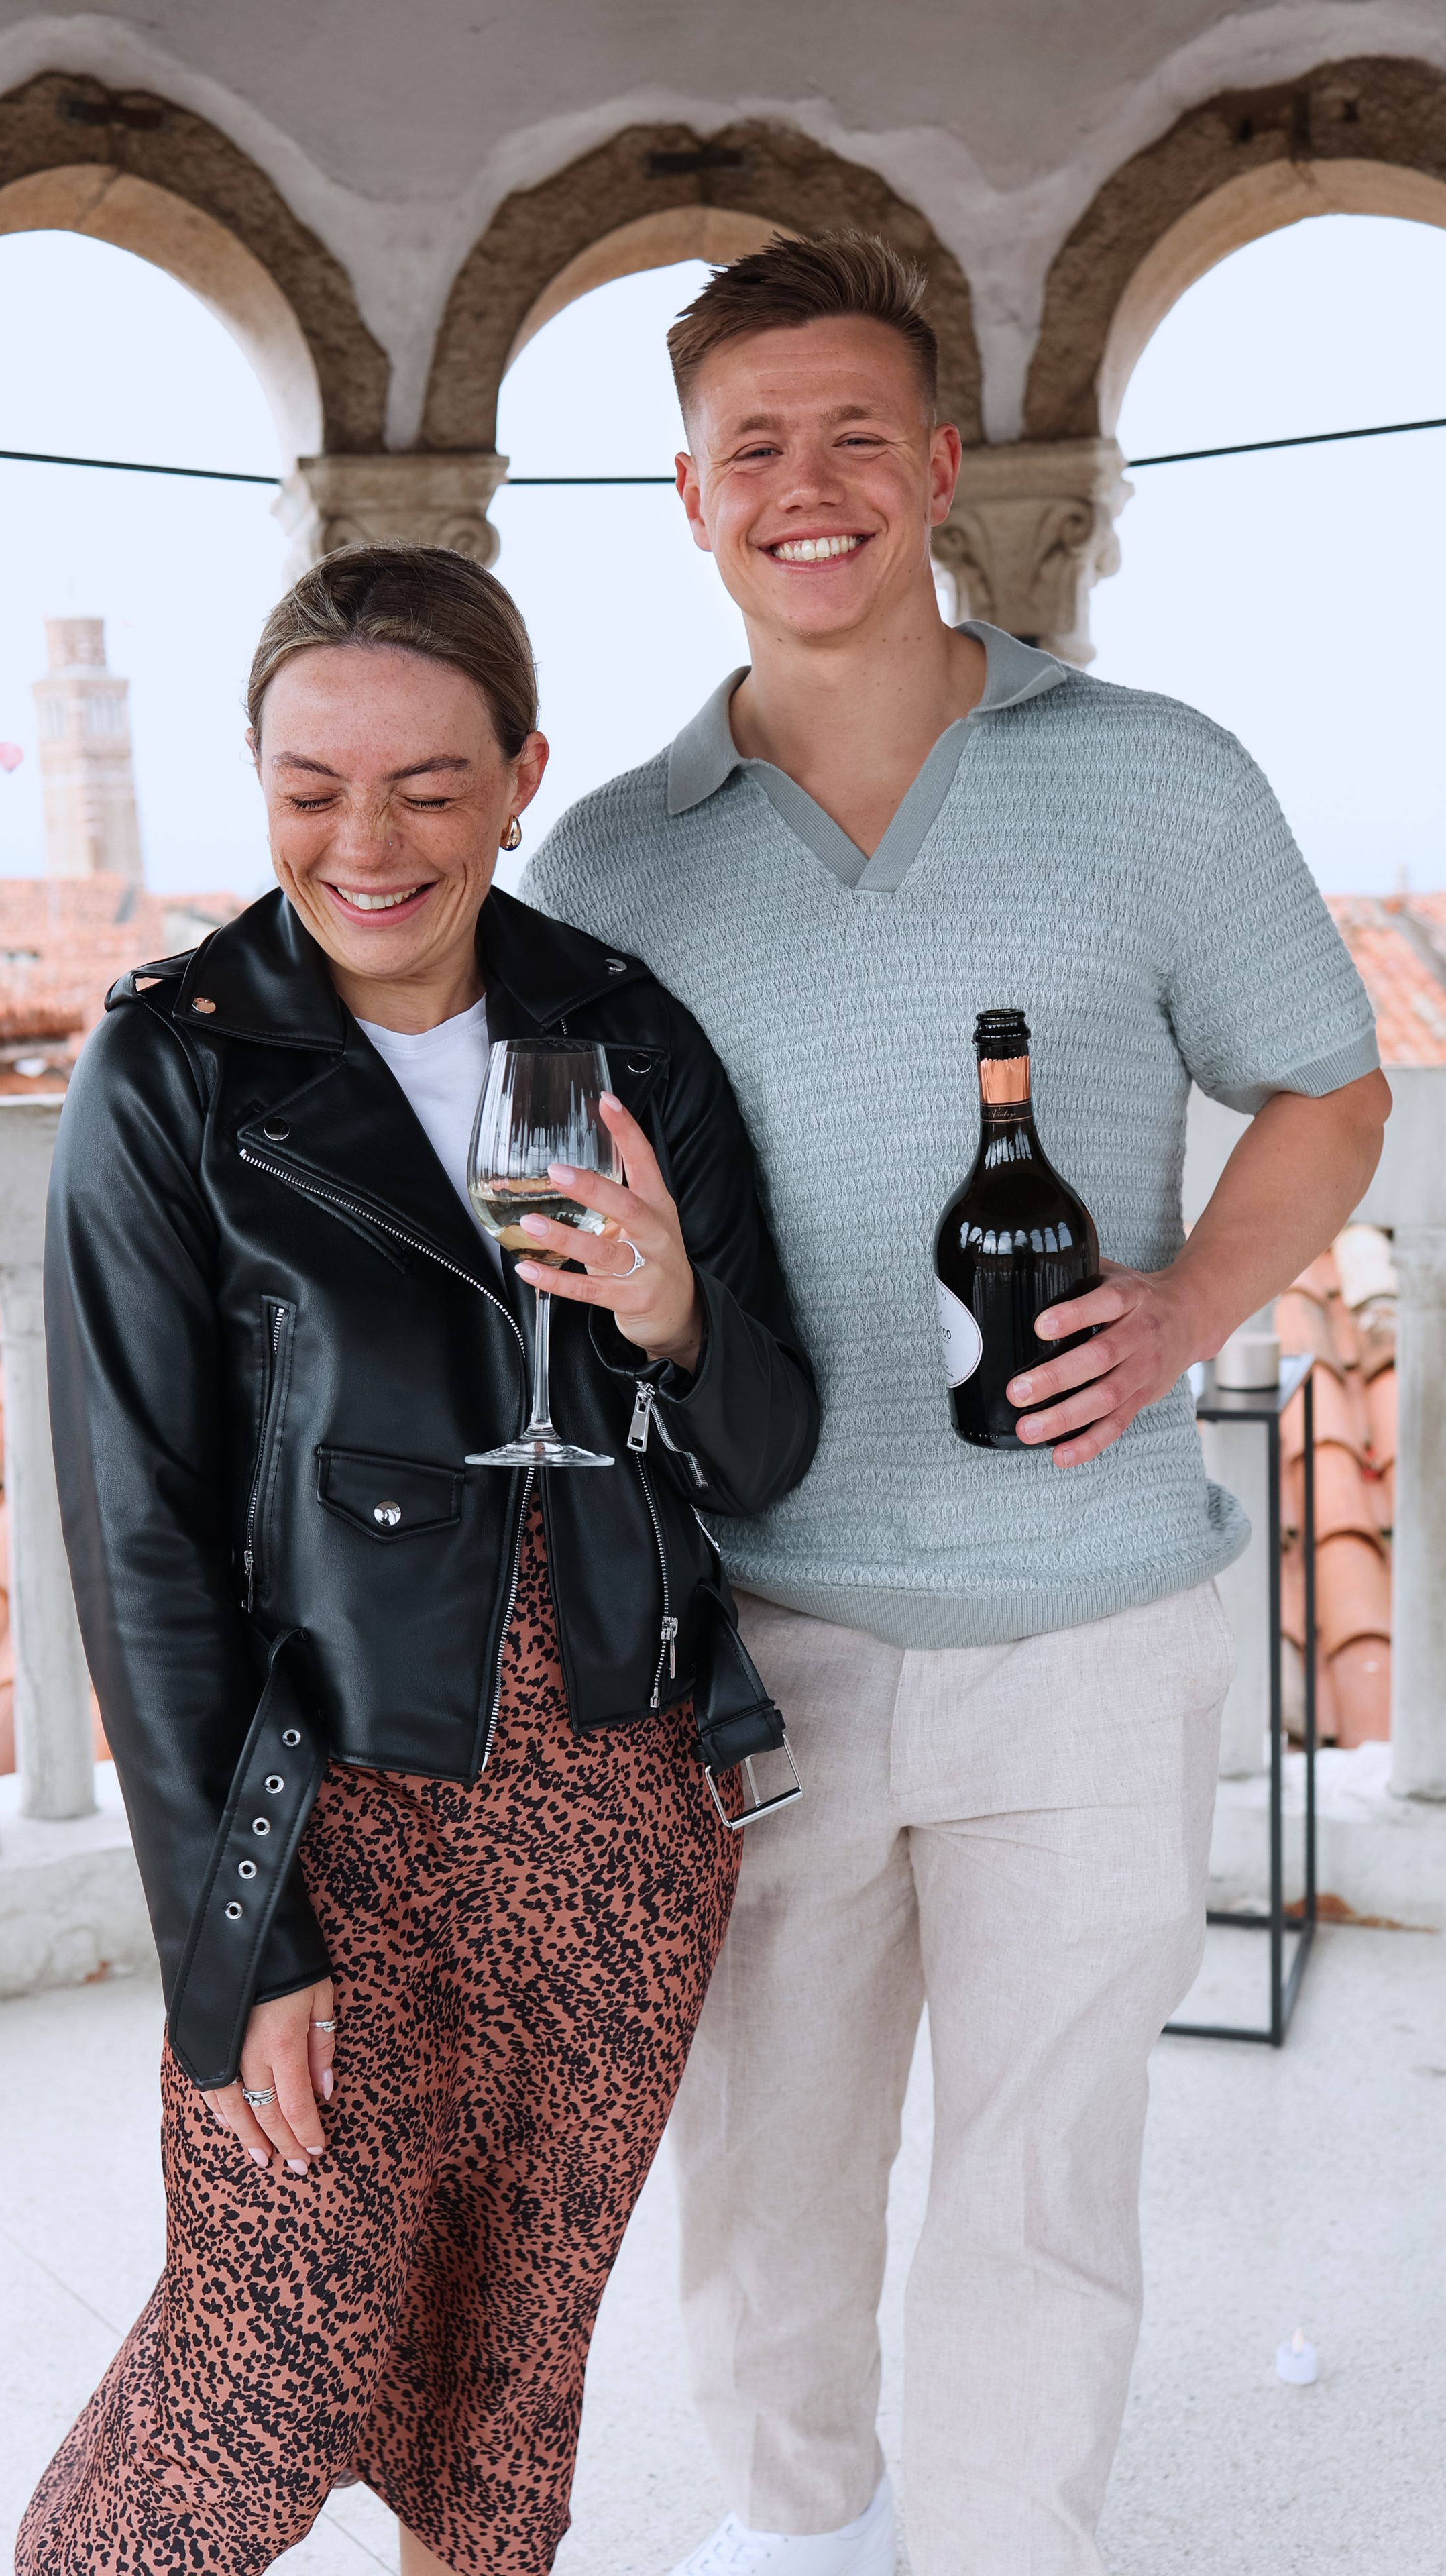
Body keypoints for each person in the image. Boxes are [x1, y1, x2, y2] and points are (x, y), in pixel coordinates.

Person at [522, 233, 1390, 2576]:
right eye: (750, 449)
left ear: (942, 464)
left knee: (1040, 2191)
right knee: (767, 2177)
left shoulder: (1159, 777)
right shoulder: (605, 860)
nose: (807, 489)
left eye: (850, 436)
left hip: (1099, 1633)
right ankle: (802, 2538)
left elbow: (1326, 1083)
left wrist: (1192, 1294)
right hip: (756, 1641)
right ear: (687, 496)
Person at [18, 544, 818, 2576]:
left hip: (615, 1807)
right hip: (334, 1815)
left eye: (428, 787)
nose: (363, 844)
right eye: (310, 787)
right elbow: (143, 1539)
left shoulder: (620, 1030)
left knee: (501, 2383)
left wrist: (668, 1310)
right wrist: (237, 1936)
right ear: (260, 778)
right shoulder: (175, 1070)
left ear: (523, 773)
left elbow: (775, 1445)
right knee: (254, 2378)